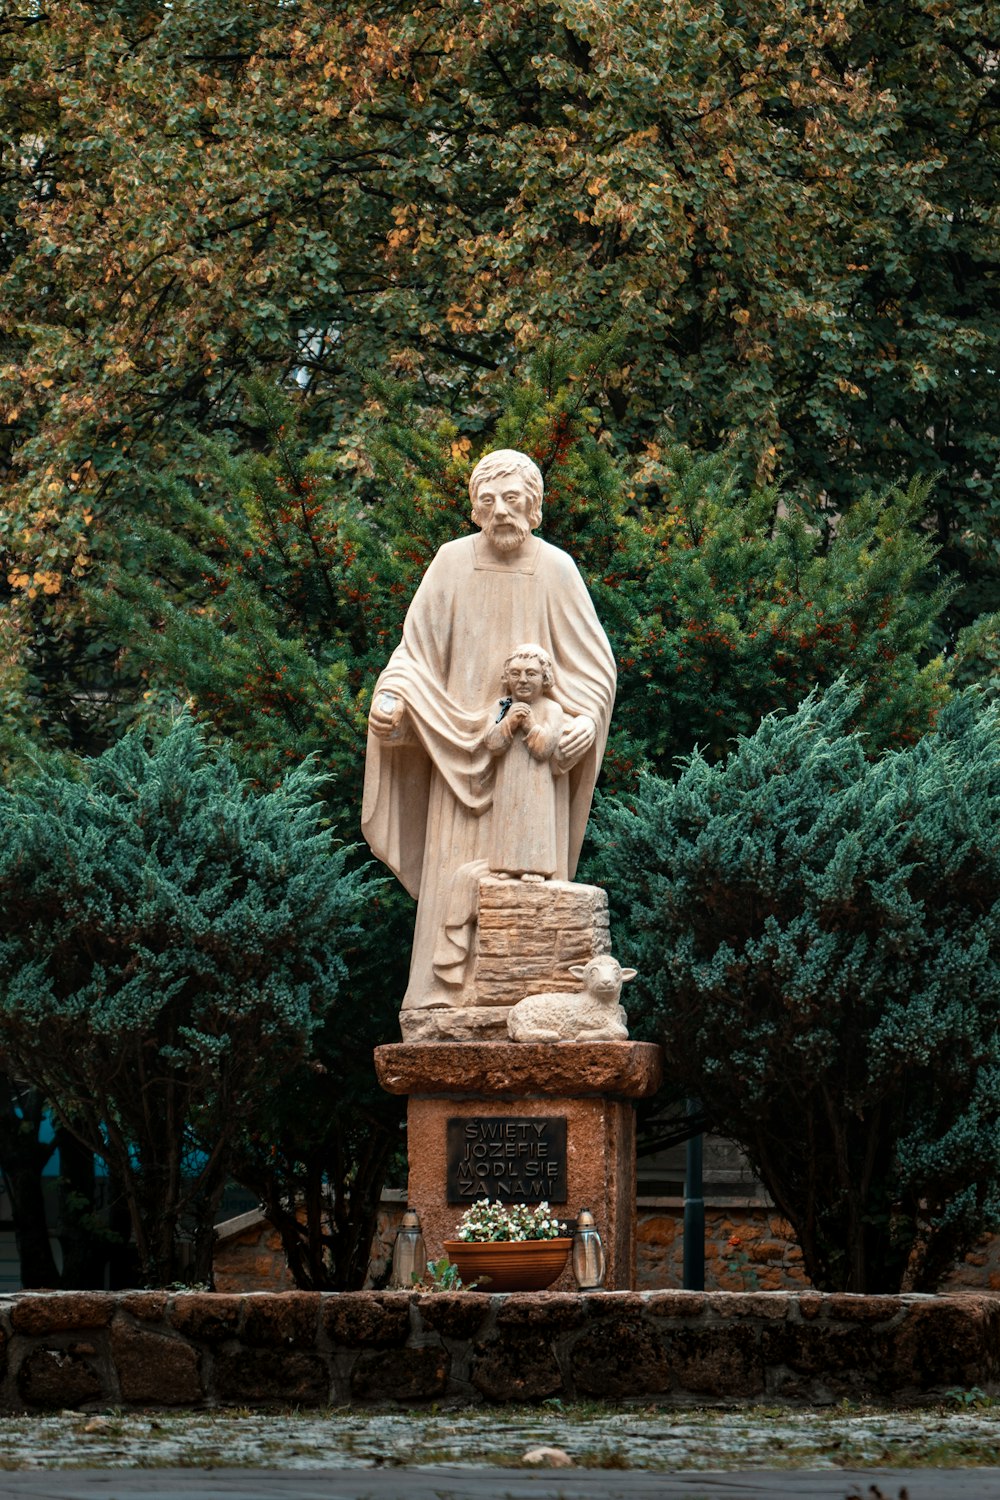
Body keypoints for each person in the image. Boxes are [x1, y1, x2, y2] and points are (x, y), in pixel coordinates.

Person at [362, 448, 616, 1013]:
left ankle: (532, 998)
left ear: (536, 509)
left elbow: (595, 668)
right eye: (488, 501)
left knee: (529, 885)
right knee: (456, 871)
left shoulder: (557, 570)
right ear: (475, 510)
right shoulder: (450, 564)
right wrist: (391, 701)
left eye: (513, 499)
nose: (501, 510)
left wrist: (584, 721)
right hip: (460, 754)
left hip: (530, 765)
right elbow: (413, 657)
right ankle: (443, 995)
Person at [482, 644, 565, 882]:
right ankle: (505, 864)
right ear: (507, 677)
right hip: (508, 776)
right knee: (508, 815)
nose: (522, 680)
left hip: (537, 780)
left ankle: (536, 866)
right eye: (515, 673)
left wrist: (529, 724)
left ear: (545, 677)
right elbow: (492, 743)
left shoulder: (552, 709)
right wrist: (509, 722)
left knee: (534, 819)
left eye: (531, 673)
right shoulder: (501, 707)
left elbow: (545, 749)